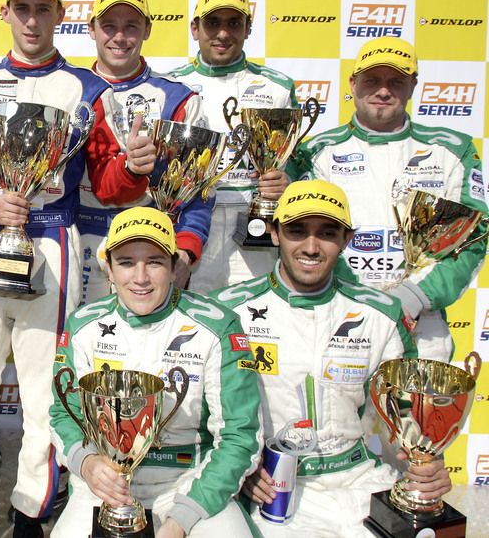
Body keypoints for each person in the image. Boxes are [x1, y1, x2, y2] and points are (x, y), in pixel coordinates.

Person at [0, 0, 157, 538]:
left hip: (54, 241)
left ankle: (32, 506)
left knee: (42, 391)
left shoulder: (89, 88)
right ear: (5, 13)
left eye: (43, 8)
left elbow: (105, 183)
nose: (32, 19)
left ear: (60, 15)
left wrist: (131, 167)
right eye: (21, 8)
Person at [211, 180, 451, 537]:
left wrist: (428, 465)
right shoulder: (228, 311)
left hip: (360, 481)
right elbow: (206, 418)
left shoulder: (382, 315)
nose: (310, 247)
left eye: (327, 233)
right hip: (275, 490)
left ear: (347, 239)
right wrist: (239, 471)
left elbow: (405, 421)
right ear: (275, 233)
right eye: (296, 231)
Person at [50, 206, 263, 538]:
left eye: (154, 262)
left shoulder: (218, 327)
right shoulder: (82, 327)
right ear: (108, 268)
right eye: (126, 262)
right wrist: (87, 465)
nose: (140, 277)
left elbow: (239, 437)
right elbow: (62, 415)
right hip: (103, 485)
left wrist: (181, 519)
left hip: (190, 483)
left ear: (175, 266)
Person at [287, 37, 487, 362]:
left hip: (420, 322)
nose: (383, 91)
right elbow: (295, 238)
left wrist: (413, 296)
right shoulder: (313, 152)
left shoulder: (452, 150)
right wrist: (355, 297)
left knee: (414, 415)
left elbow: (473, 240)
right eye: (372, 80)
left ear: (413, 86)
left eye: (396, 81)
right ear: (352, 83)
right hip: (339, 316)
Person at [78, 0, 208, 304]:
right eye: (109, 25)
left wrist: (186, 251)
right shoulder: (69, 91)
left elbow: (200, 189)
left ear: (148, 30)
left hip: (150, 248)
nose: (119, 37)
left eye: (131, 26)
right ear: (91, 29)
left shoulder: (178, 98)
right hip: (80, 241)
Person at [170, 0, 296, 294]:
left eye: (234, 23)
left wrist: (285, 179)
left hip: (256, 222)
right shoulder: (171, 84)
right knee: (191, 316)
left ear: (248, 28)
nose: (223, 33)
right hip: (193, 219)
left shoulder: (277, 87)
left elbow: (295, 158)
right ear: (194, 28)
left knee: (257, 314)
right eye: (213, 23)